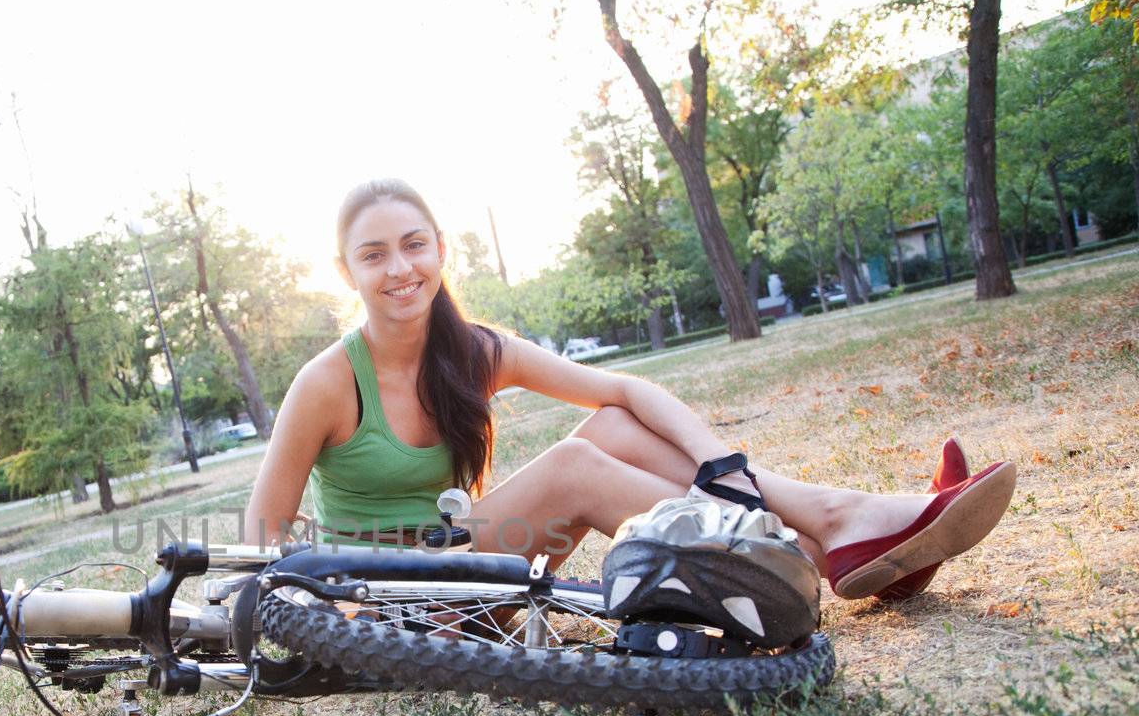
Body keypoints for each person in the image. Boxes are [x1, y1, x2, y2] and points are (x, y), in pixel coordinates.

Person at [241, 178, 1015, 601]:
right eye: (373, 255)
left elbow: (624, 389)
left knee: (610, 426)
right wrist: (330, 618)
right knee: (576, 466)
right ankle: (830, 536)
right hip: (395, 605)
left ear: (441, 250)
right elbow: (260, 537)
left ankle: (829, 535)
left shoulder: (474, 351)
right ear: (347, 273)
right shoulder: (327, 382)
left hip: (476, 574)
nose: (400, 268)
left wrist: (724, 463)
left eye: (414, 245)